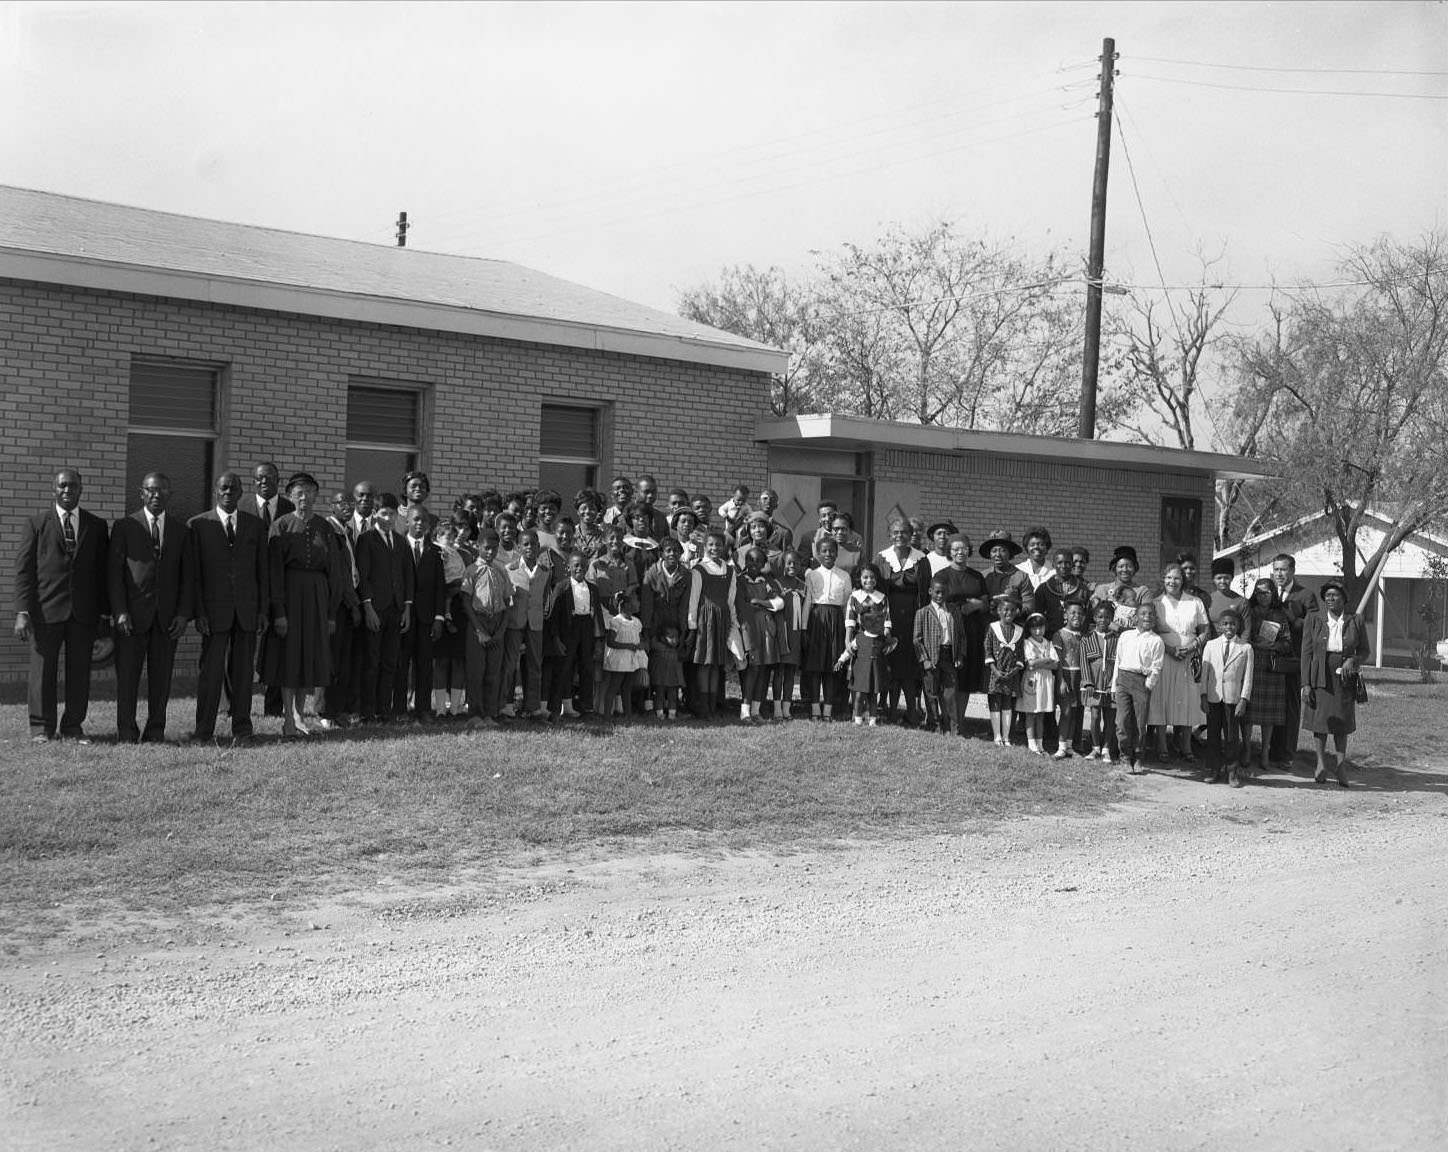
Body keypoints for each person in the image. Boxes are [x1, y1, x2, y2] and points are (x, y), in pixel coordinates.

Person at [13, 468, 109, 743]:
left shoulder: (96, 526)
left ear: (81, 489)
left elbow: (102, 573)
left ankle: (73, 726)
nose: (68, 490)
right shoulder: (36, 524)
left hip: (83, 613)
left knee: (79, 672)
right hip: (45, 611)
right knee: (42, 673)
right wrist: (22, 612)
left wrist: (104, 614)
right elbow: (24, 571)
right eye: (62, 486)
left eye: (73, 486)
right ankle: (41, 728)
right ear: (54, 489)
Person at [185, 471, 268, 744]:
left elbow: (261, 572)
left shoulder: (255, 525)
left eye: (233, 489)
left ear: (241, 492)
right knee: (210, 673)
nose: (228, 493)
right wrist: (199, 612)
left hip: (246, 610)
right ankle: (203, 730)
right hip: (213, 612)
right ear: (215, 492)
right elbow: (194, 575)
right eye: (223, 489)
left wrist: (262, 611)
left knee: (244, 673)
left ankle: (243, 728)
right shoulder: (197, 525)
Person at [261, 472, 346, 738]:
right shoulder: (281, 525)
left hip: (317, 598)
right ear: (289, 496)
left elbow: (334, 571)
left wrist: (331, 613)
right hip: (290, 595)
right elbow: (273, 572)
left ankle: (299, 715)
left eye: (309, 492)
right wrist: (279, 612)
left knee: (308, 657)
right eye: (298, 493)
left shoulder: (324, 527)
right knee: (289, 657)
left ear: (316, 496)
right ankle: (288, 716)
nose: (303, 497)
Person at [108, 472, 189, 744]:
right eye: (151, 491)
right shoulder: (125, 526)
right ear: (141, 493)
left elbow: (188, 578)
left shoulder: (181, 530)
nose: (157, 495)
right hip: (131, 617)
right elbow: (115, 573)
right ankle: (127, 731)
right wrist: (120, 611)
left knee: (161, 678)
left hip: (166, 619)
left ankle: (155, 731)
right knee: (128, 677)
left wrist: (182, 613)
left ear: (170, 495)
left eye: (162, 491)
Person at [1301, 580, 1371, 788]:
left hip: (1344, 677)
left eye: (1335, 595)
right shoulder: (1313, 619)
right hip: (1319, 675)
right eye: (1327, 596)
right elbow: (1306, 652)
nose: (1330, 599)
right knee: (1320, 721)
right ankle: (1320, 764)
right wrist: (1306, 683)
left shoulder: (1355, 620)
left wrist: (1353, 660)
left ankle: (1341, 766)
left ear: (1344, 599)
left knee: (1341, 722)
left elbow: (1365, 651)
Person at [354, 494, 415, 726]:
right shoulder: (366, 539)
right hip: (375, 609)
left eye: (391, 514)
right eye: (383, 514)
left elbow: (408, 576)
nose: (388, 518)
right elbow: (363, 576)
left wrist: (407, 609)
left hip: (396, 609)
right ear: (375, 514)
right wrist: (368, 607)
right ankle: (367, 712)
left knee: (390, 661)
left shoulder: (401, 541)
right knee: (371, 661)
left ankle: (384, 710)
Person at [246, 462, 295, 719]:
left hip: (280, 587)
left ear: (278, 480)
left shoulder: (290, 508)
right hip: (248, 585)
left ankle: (273, 705)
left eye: (269, 478)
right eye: (259, 478)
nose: (264, 482)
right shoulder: (242, 506)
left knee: (277, 647)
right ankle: (233, 704)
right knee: (239, 647)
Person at [1147, 563, 1209, 763]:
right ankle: (1162, 746)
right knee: (1162, 699)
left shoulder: (1195, 602)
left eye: (1176, 578)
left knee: (1187, 699)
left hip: (1188, 658)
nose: (1172, 582)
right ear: (1163, 580)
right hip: (1164, 655)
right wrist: (1171, 649)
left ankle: (1185, 746)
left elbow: (1205, 630)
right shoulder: (1156, 603)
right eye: (1168, 578)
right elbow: (1151, 631)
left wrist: (1191, 648)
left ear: (1183, 581)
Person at [933, 533, 990, 736]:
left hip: (971, 631)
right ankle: (946, 720)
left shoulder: (977, 576)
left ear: (969, 550)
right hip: (949, 629)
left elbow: (986, 603)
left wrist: (975, 604)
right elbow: (937, 602)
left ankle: (960, 721)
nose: (960, 552)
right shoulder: (942, 575)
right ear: (949, 551)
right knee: (949, 678)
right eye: (956, 549)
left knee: (965, 678)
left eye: (964, 548)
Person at [396, 506, 447, 722]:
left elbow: (439, 587)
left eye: (424, 521)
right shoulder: (397, 546)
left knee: (425, 664)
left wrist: (439, 617)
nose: (420, 524)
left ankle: (423, 708)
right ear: (407, 522)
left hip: (427, 617)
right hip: (403, 617)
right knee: (401, 663)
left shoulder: (435, 551)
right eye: (415, 520)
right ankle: (399, 709)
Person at [1269, 553, 1320, 766]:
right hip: (1271, 655)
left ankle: (1286, 754)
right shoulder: (1268, 592)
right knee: (1272, 705)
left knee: (1290, 706)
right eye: (1276, 570)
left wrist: (1291, 618)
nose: (1279, 574)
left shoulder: (1305, 595)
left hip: (1294, 658)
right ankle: (1269, 751)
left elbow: (1314, 627)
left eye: (1283, 570)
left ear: (1292, 571)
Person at [461, 528, 513, 726]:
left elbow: (508, 603)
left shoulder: (501, 571)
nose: (490, 552)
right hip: (478, 622)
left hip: (497, 621)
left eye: (494, 549)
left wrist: (501, 631)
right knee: (476, 671)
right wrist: (479, 631)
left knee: (493, 671)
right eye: (486, 548)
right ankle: (475, 713)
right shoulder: (471, 571)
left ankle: (490, 713)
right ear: (478, 547)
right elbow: (466, 602)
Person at [1241, 577, 1293, 776]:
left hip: (1271, 666)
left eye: (1267, 592)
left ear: (1273, 594)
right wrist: (1254, 644)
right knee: (1248, 712)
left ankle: (1264, 752)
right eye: (1259, 592)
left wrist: (1274, 646)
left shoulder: (1280, 615)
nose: (1262, 596)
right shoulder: (1250, 612)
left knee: (1268, 716)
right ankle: (1246, 748)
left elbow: (1288, 642)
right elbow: (1241, 635)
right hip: (1251, 663)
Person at [686, 530, 740, 720]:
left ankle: (712, 705)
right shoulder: (699, 569)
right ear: (705, 546)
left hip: (722, 619)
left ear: (724, 547)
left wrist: (733, 623)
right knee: (704, 662)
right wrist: (692, 625)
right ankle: (702, 706)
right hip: (704, 619)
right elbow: (693, 598)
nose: (714, 548)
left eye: (718, 545)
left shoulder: (730, 570)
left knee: (717, 663)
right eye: (710, 545)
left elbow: (731, 599)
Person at [877, 519, 926, 725]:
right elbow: (876, 591)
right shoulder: (882, 558)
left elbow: (926, 593)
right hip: (890, 617)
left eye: (904, 532)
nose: (900, 536)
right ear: (890, 535)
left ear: (911, 534)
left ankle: (912, 711)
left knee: (909, 664)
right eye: (896, 532)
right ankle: (886, 708)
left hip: (913, 618)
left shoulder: (921, 559)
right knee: (889, 662)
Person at [1199, 607, 1254, 787]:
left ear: (1238, 626)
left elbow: (1248, 677)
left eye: (1232, 624)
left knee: (1231, 736)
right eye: (1225, 624)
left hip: (1233, 698)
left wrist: (1243, 700)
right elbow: (1205, 673)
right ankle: (1213, 769)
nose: (1229, 627)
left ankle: (1232, 771)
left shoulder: (1245, 648)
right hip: (1214, 697)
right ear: (1219, 626)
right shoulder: (1211, 645)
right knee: (1213, 735)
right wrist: (1203, 695)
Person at [544, 551, 602, 720]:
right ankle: (554, 710)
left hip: (587, 629)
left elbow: (597, 614)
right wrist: (555, 638)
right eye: (576, 565)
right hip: (568, 630)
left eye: (583, 565)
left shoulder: (592, 588)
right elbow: (553, 616)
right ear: (568, 567)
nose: (580, 568)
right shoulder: (562, 587)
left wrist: (598, 640)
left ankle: (587, 709)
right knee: (563, 669)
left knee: (587, 669)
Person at [506, 529, 557, 721]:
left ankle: (532, 706)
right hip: (515, 621)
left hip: (535, 623)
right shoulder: (510, 569)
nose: (529, 547)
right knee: (511, 664)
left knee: (535, 664)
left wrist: (541, 614)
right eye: (525, 544)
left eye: (533, 544)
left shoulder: (545, 571)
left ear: (538, 547)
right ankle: (507, 705)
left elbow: (545, 597)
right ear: (519, 547)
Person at [1113, 602, 1165, 775]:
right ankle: (1125, 757)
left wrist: (1148, 684)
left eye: (1150, 614)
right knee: (1122, 721)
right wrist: (1115, 685)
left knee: (1140, 723)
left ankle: (1138, 756)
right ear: (1136, 617)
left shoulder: (1156, 640)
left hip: (1141, 681)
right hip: (1123, 679)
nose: (1147, 617)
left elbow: (1157, 667)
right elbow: (1118, 661)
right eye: (1143, 613)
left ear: (1155, 618)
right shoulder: (1126, 636)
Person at [802, 535, 850, 720]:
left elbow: (847, 604)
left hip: (836, 620)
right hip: (817, 620)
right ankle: (815, 709)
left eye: (832, 551)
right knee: (815, 668)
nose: (828, 554)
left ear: (837, 554)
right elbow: (807, 603)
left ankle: (828, 711)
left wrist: (848, 630)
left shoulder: (844, 576)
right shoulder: (812, 575)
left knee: (832, 667)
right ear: (817, 554)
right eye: (824, 551)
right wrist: (804, 628)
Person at [737, 547, 784, 722]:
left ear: (764, 564)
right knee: (753, 667)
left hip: (767, 628)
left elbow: (779, 603)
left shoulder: (767, 581)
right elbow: (741, 604)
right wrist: (764, 604)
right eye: (750, 560)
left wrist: (759, 601)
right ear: (745, 561)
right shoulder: (741, 581)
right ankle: (745, 710)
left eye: (758, 561)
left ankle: (756, 710)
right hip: (749, 627)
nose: (754, 564)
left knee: (765, 668)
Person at [844, 562, 891, 726]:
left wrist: (886, 635)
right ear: (860, 579)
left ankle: (872, 716)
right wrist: (847, 639)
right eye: (865, 577)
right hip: (860, 639)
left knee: (874, 678)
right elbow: (850, 619)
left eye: (872, 577)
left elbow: (887, 619)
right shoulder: (854, 596)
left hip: (876, 641)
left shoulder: (882, 598)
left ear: (876, 580)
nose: (869, 580)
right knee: (858, 677)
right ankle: (856, 714)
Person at [912, 576, 958, 734]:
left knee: (950, 693)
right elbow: (917, 640)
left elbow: (961, 636)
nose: (940, 596)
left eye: (944, 593)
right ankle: (934, 724)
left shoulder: (953, 611)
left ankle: (953, 728)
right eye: (937, 592)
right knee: (931, 692)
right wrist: (924, 659)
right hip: (931, 657)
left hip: (948, 656)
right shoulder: (922, 613)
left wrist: (959, 655)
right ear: (930, 591)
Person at [1080, 601, 1120, 763]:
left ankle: (1106, 749)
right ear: (1095, 618)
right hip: (1094, 683)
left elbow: (1118, 662)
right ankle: (1095, 747)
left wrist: (1114, 683)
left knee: (1110, 717)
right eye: (1100, 617)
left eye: (1107, 617)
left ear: (1112, 619)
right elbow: (1083, 662)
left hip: (1110, 682)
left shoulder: (1116, 639)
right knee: (1095, 715)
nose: (1103, 620)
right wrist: (1087, 682)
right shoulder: (1086, 638)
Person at [984, 590, 1024, 747]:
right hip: (995, 672)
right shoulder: (992, 628)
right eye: (1005, 609)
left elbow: (1021, 653)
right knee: (995, 702)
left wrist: (1015, 670)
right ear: (999, 611)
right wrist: (994, 670)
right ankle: (997, 736)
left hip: (1011, 673)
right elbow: (987, 650)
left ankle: (1006, 737)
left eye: (1012, 610)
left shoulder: (1019, 631)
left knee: (1007, 703)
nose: (1009, 613)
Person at [771, 549, 807, 721]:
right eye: (789, 563)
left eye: (796, 563)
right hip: (782, 631)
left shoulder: (803, 585)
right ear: (783, 565)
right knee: (779, 671)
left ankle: (787, 707)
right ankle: (777, 707)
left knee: (791, 672)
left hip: (796, 632)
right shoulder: (777, 583)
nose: (793, 565)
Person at [1017, 612, 1059, 756]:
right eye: (1034, 628)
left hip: (1045, 681)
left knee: (1041, 713)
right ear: (1029, 629)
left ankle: (1040, 744)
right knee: (1030, 712)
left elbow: (1055, 665)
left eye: (1040, 628)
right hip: (1032, 681)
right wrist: (1046, 659)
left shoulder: (1048, 643)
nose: (1037, 631)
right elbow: (1030, 664)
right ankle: (1031, 743)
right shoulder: (1027, 643)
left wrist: (1040, 662)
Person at [600, 591, 647, 718]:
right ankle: (607, 716)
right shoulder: (616, 622)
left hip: (631, 659)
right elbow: (610, 642)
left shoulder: (637, 622)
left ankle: (628, 715)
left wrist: (641, 644)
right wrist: (628, 646)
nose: (638, 603)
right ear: (626, 605)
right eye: (635, 601)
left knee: (627, 688)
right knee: (614, 687)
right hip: (619, 660)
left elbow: (639, 637)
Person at [1053, 602, 1087, 759]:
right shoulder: (1059, 634)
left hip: (1079, 677)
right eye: (1073, 613)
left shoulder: (1084, 635)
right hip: (1065, 676)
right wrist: (1061, 680)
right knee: (1066, 712)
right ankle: (1060, 746)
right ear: (1065, 615)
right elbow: (1058, 660)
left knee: (1075, 712)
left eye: (1080, 613)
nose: (1076, 616)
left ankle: (1069, 746)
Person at [1094, 546, 1147, 634]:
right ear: (1114, 568)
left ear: (1135, 568)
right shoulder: (1102, 590)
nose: (1125, 570)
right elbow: (1096, 617)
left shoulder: (1142, 591)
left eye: (1129, 566)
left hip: (1133, 638)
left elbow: (1146, 619)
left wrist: (1120, 629)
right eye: (1121, 566)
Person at [980, 529, 1032, 610]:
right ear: (990, 554)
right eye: (994, 551)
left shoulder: (1022, 577)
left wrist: (1015, 612)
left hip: (1014, 621)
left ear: (1010, 553)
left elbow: (1029, 605)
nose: (998, 554)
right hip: (988, 621)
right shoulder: (983, 576)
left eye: (1003, 550)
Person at [649, 623, 685, 721]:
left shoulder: (677, 650)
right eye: (671, 637)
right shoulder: (658, 647)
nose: (675, 640)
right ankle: (660, 713)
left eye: (677, 637)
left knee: (673, 696)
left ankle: (672, 714)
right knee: (659, 695)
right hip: (660, 678)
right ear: (662, 637)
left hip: (673, 678)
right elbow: (652, 643)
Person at [1016, 527, 1055, 592]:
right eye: (1032, 544)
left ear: (1047, 547)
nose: (1036, 547)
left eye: (1041, 544)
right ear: (1027, 548)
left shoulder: (1054, 571)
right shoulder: (1018, 570)